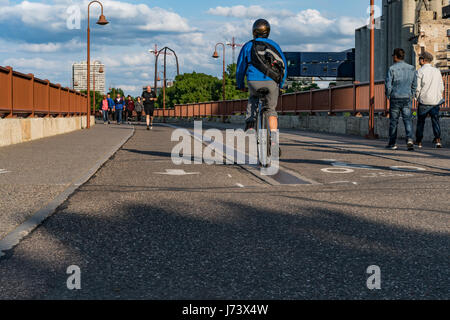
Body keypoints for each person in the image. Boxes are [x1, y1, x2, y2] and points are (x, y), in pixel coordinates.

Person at [236, 19, 287, 137]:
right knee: (271, 110)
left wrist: (240, 85)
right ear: (268, 32)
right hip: (272, 81)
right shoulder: (274, 45)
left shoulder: (248, 45)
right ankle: (274, 139)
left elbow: (240, 69)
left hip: (253, 81)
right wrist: (282, 84)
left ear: (254, 32)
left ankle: (250, 123)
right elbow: (283, 66)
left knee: (253, 97)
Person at [385, 48, 417, 151]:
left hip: (395, 97)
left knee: (394, 121)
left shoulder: (392, 69)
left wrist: (388, 95)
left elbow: (388, 85)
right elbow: (414, 84)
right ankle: (410, 139)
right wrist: (411, 95)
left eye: (393, 56)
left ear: (395, 56)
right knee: (407, 120)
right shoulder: (412, 68)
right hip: (407, 97)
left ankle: (392, 143)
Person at [415, 51, 445, 149]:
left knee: (421, 122)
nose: (419, 60)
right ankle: (438, 140)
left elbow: (417, 88)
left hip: (424, 101)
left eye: (420, 58)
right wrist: (438, 96)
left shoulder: (419, 71)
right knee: (435, 121)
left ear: (423, 60)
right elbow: (441, 87)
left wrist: (417, 97)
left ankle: (419, 142)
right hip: (435, 101)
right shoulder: (437, 71)